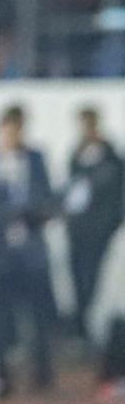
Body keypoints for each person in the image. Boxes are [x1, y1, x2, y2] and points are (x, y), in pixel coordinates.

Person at [0, 104, 58, 399]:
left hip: (31, 252)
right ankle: (1, 375)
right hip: (1, 254)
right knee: (1, 318)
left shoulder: (36, 160)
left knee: (38, 316)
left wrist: (29, 212)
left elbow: (47, 199)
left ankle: (42, 374)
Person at [63, 105, 123, 352]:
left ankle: (86, 327)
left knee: (91, 279)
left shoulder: (110, 157)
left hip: (100, 228)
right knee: (78, 278)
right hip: (77, 230)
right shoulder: (77, 154)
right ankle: (80, 328)